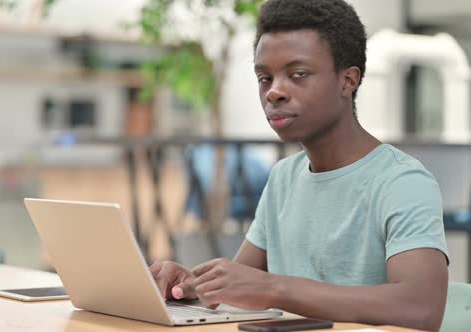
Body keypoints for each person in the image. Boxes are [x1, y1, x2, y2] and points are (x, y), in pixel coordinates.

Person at [150, 0, 449, 331]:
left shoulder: (402, 182)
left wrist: (275, 288)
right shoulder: (283, 177)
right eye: (265, 77)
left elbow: (421, 308)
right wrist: (190, 285)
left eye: (298, 74)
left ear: (347, 81)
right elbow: (239, 289)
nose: (274, 91)